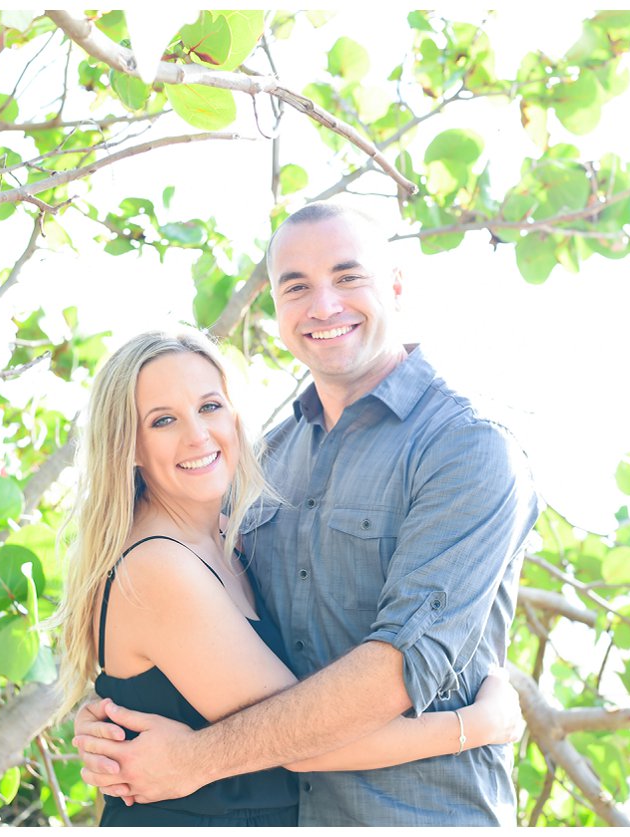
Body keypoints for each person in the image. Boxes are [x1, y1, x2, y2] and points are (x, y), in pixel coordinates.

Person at [72, 203, 542, 825]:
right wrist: (115, 707)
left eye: (349, 277)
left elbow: (395, 673)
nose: (323, 306)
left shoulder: (465, 447)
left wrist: (194, 758)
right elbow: (205, 651)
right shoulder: (269, 465)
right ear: (276, 308)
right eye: (297, 287)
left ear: (396, 287)